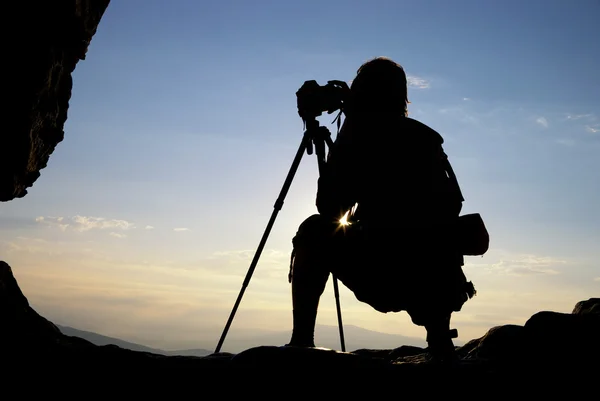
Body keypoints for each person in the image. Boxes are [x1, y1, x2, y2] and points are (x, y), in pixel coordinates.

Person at [286, 56, 484, 361]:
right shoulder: (424, 137)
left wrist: (348, 131)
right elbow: (452, 203)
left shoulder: (361, 135)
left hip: (387, 272)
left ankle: (301, 343)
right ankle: (439, 338)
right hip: (435, 282)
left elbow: (329, 207)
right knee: (428, 246)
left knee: (313, 230)